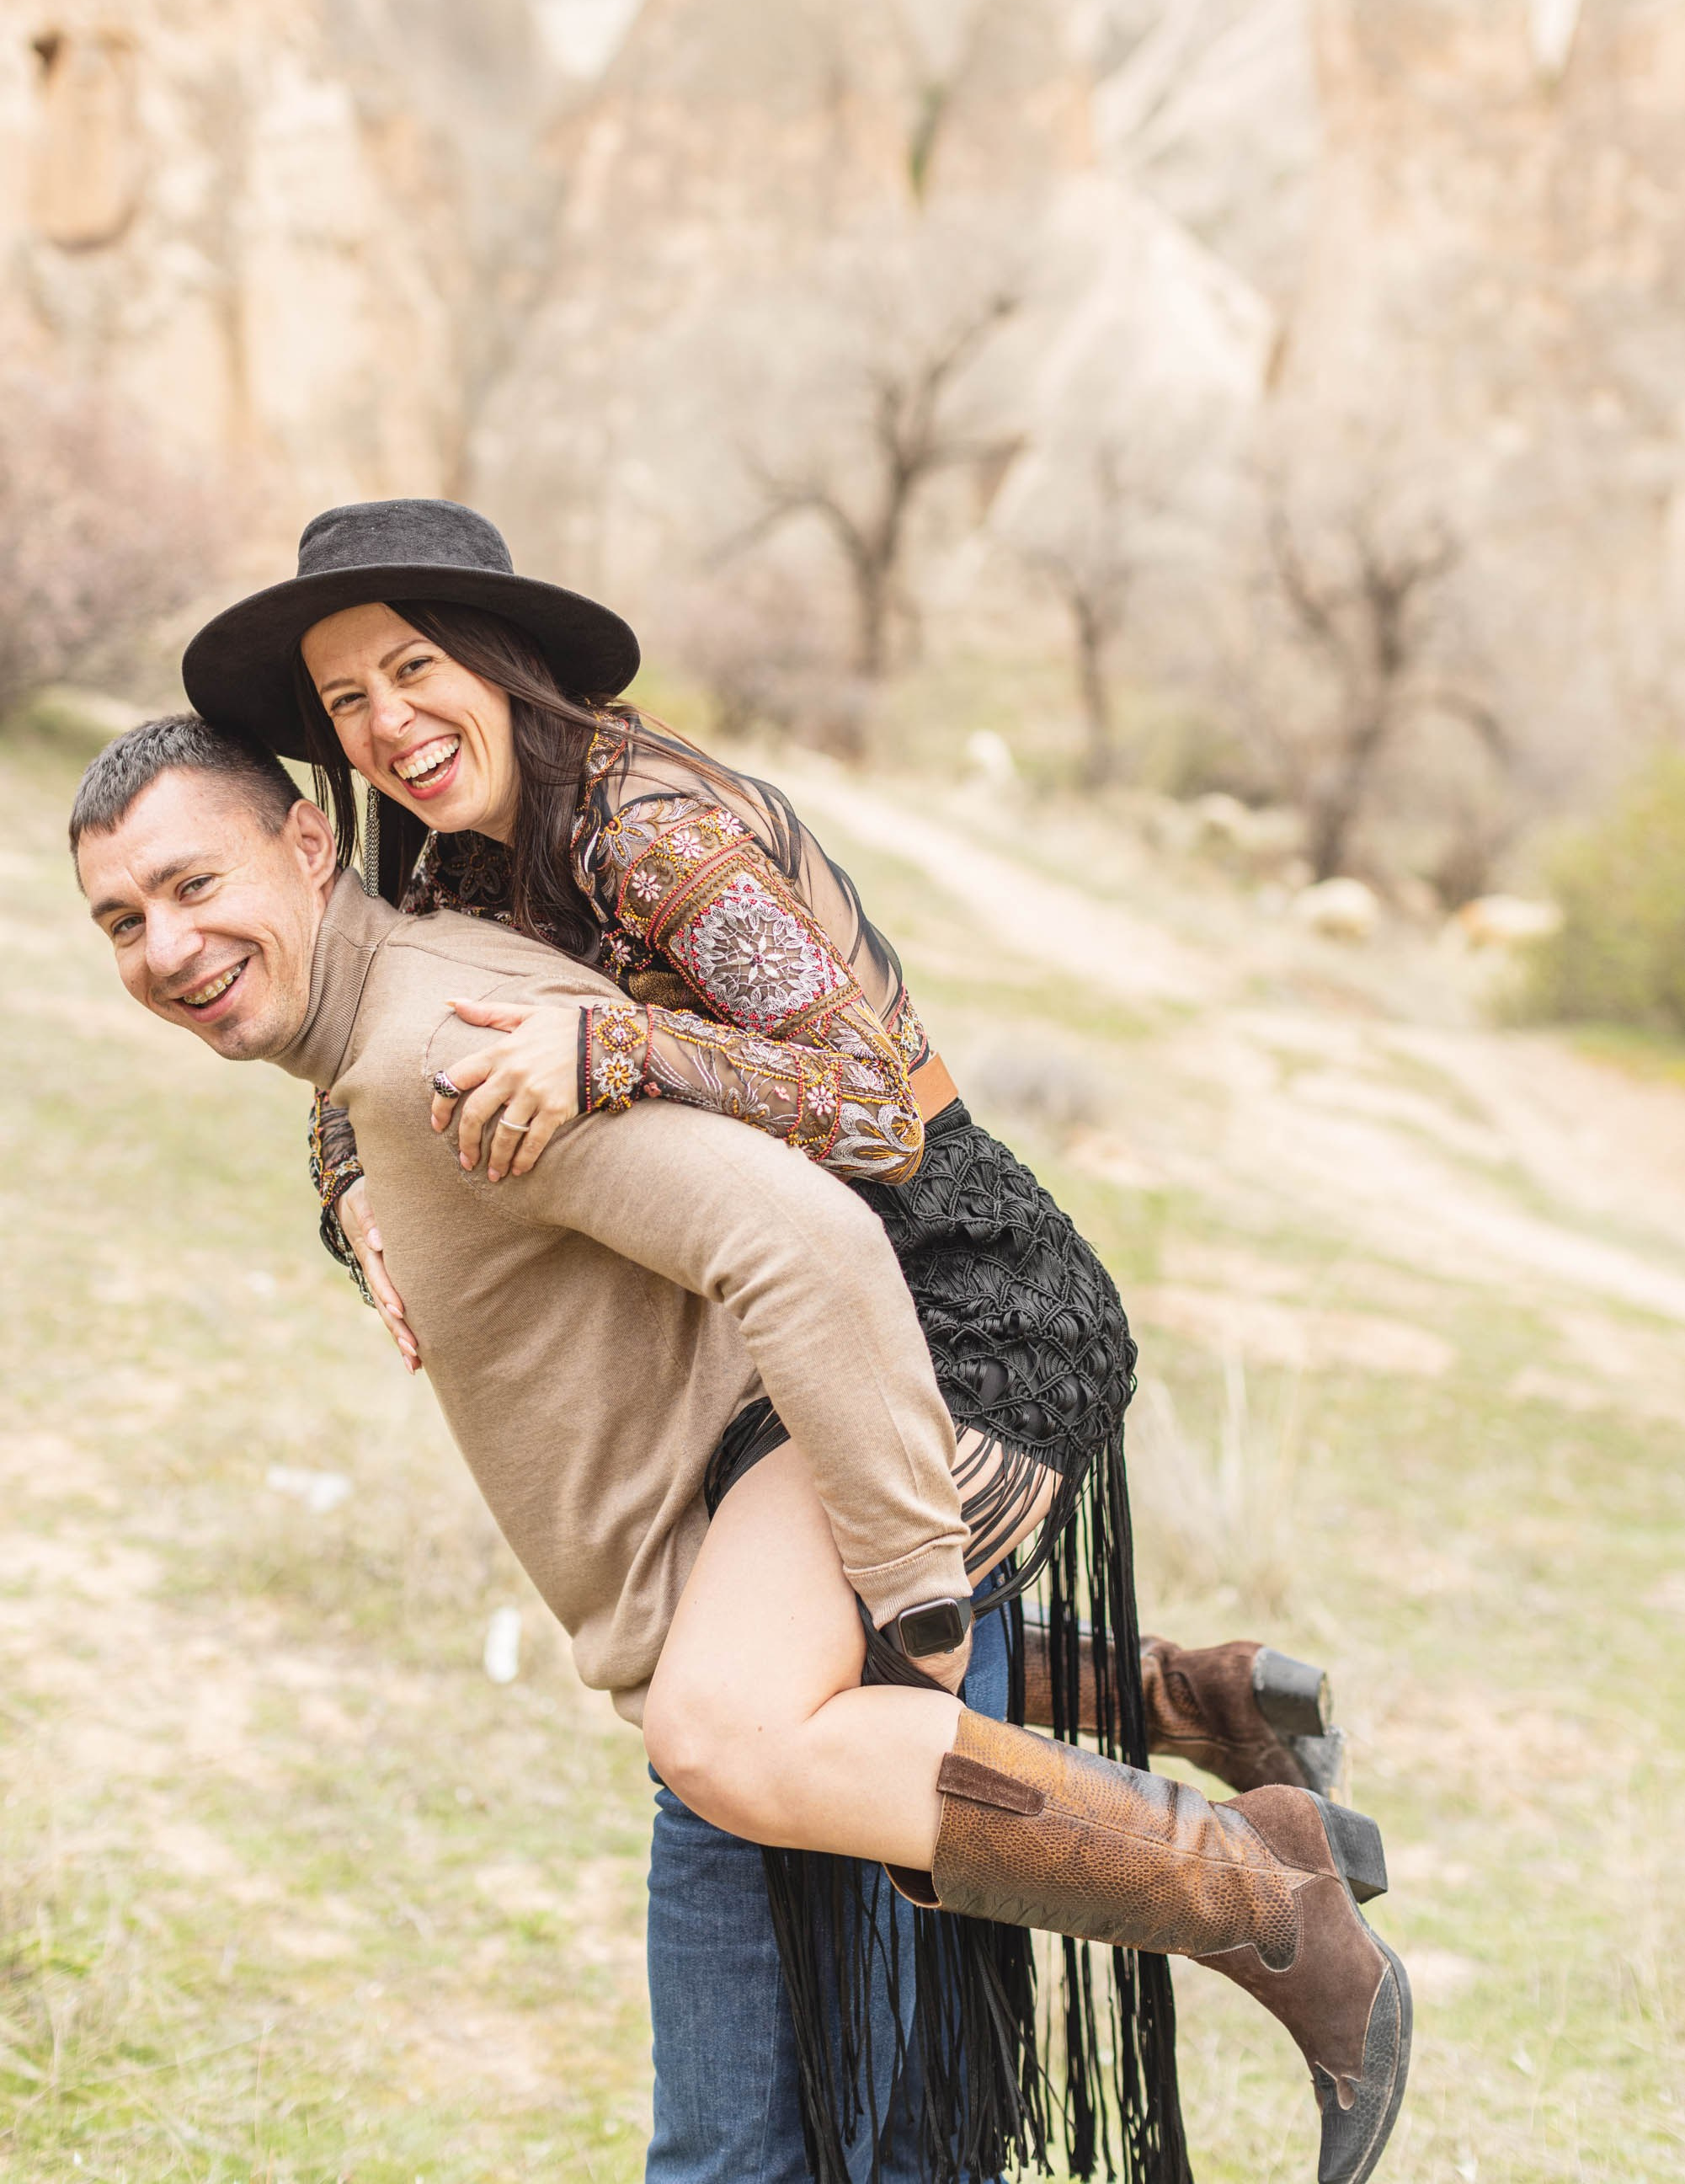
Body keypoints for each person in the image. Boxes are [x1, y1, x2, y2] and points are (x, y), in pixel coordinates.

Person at [72, 716, 1411, 2184]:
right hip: (760, 1559)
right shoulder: (419, 990)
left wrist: (914, 1608)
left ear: (311, 842)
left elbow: (816, 1236)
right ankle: (1194, 1726)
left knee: (816, 2128)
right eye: (124, 920)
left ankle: (1265, 1894)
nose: (165, 946)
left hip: (915, 1408)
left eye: (195, 885)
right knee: (808, 2137)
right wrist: (348, 1182)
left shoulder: (466, 1024)